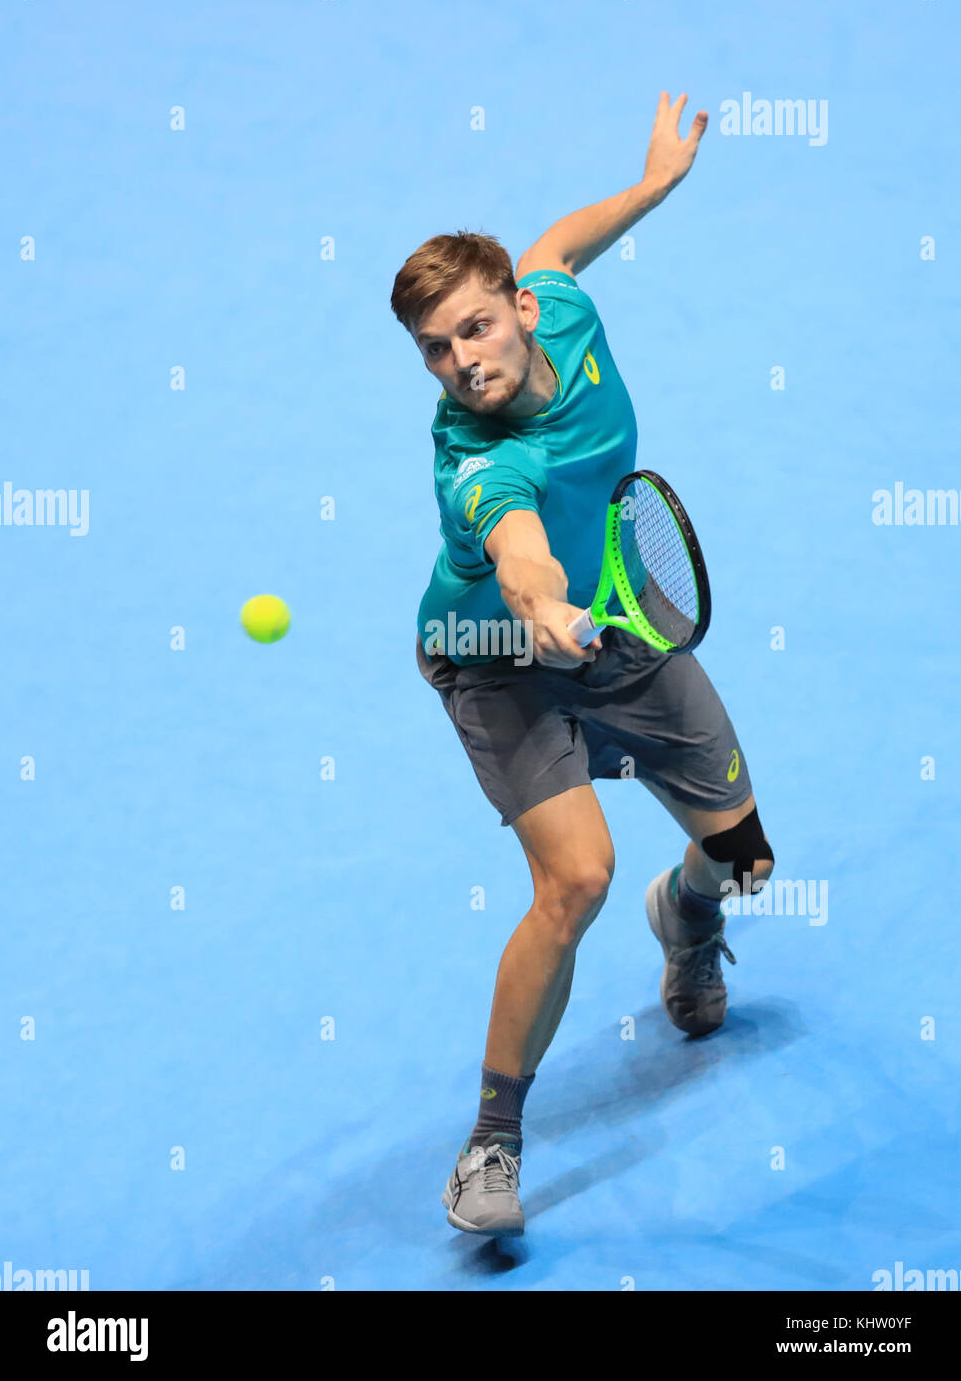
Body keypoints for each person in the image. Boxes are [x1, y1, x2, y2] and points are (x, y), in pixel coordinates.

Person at [390, 92, 774, 1239]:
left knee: (745, 856)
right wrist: (542, 608)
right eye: (435, 350)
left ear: (517, 312)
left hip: (614, 610)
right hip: (495, 656)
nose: (463, 360)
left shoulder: (558, 311)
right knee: (574, 881)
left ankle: (689, 918)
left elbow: (557, 246)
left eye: (475, 328)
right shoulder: (476, 464)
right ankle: (490, 1148)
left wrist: (649, 187)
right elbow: (513, 552)